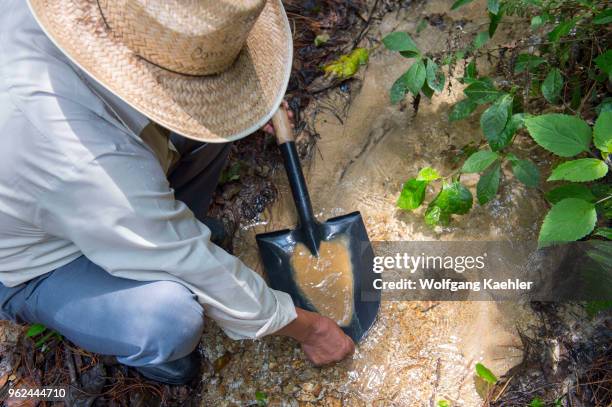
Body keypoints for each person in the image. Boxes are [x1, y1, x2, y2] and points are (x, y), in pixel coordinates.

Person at [0, 0, 354, 385]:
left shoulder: (107, 14)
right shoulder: (82, 157)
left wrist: (248, 94)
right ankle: (159, 359)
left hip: (77, 188)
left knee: (213, 127)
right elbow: (184, 259)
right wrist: (309, 329)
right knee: (169, 317)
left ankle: (175, 223)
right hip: (34, 258)